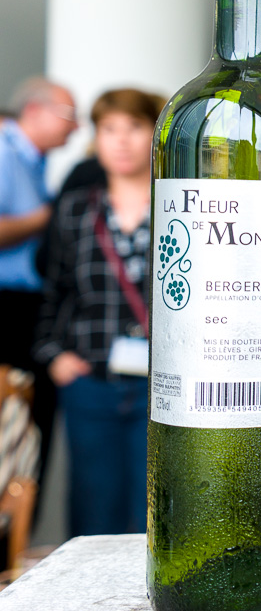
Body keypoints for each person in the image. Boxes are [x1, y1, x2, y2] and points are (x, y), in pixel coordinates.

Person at [32, 88, 163, 536]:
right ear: (96, 138)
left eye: (135, 127)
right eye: (109, 129)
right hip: (90, 377)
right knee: (93, 509)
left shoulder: (182, 207)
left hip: (160, 383)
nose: (121, 141)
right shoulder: (76, 209)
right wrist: (53, 354)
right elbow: (55, 290)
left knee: (155, 508)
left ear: (156, 134)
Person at [0, 77, 78, 500]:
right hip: (8, 309)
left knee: (26, 432)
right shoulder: (3, 151)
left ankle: (17, 532)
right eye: (68, 115)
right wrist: (47, 217)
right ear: (33, 111)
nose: (75, 126)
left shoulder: (33, 160)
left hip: (28, 309)